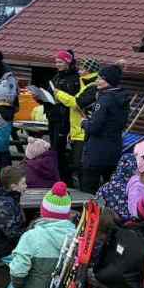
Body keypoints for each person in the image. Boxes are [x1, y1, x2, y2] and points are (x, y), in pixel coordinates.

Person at [78, 64, 129, 193]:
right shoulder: (123, 98)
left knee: (88, 191)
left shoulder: (105, 100)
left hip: (96, 152)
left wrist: (84, 122)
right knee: (110, 190)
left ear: (109, 81)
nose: (97, 81)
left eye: (100, 78)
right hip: (114, 150)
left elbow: (94, 127)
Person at [46, 51, 94, 186]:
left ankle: (66, 181)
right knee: (55, 150)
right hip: (54, 117)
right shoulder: (57, 76)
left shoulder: (75, 79)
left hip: (66, 120)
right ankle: (58, 179)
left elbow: (75, 101)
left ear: (68, 62)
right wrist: (42, 98)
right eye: (56, 62)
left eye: (60, 62)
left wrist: (59, 96)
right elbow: (51, 93)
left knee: (63, 152)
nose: (57, 65)